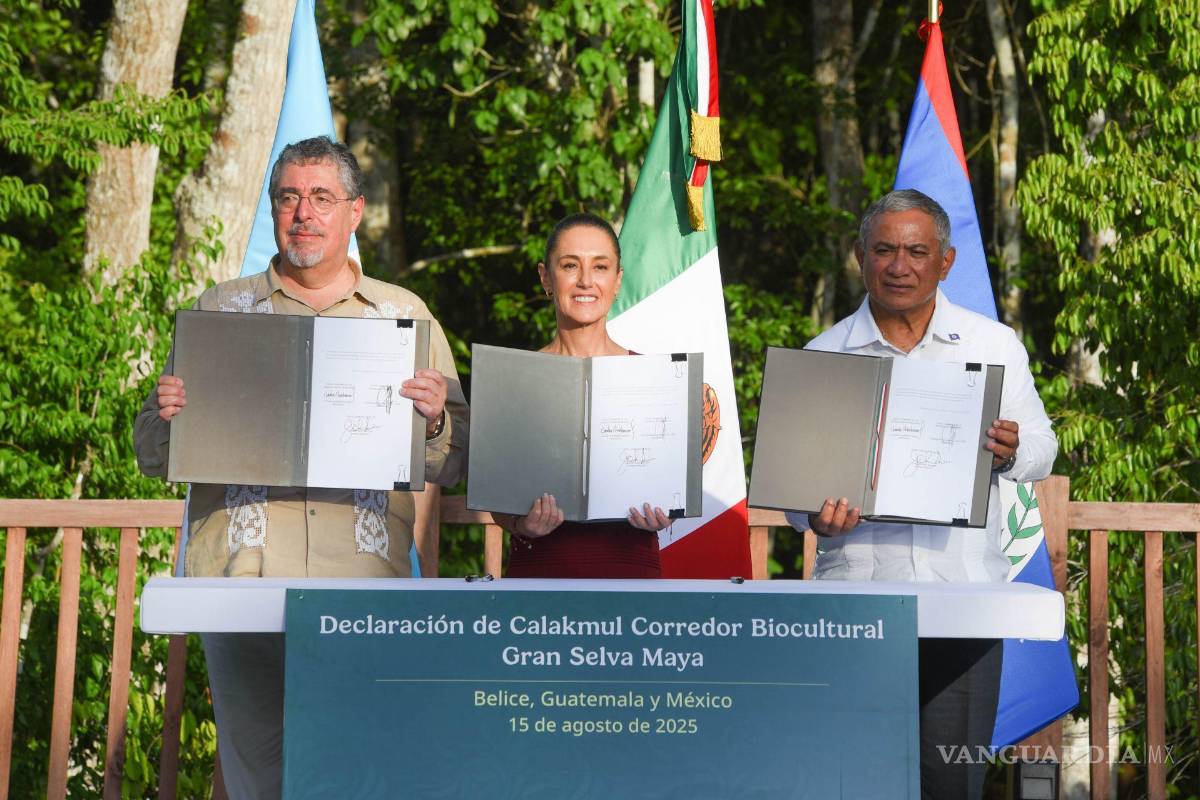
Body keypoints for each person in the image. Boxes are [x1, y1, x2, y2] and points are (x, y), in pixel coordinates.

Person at [133, 136, 468, 800]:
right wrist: (165, 415)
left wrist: (434, 420)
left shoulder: (406, 316)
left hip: (362, 586)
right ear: (274, 208)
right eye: (289, 197)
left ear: (355, 212)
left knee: (358, 767)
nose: (303, 213)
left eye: (321, 197)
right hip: (242, 577)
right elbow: (151, 454)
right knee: (258, 771)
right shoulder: (218, 312)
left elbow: (457, 459)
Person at [785, 189, 1057, 799]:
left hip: (961, 603)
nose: (898, 265)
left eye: (915, 251)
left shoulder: (993, 346)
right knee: (851, 783)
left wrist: (1013, 450)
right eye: (884, 249)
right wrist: (815, 516)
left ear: (946, 262)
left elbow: (1044, 447)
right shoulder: (823, 356)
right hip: (852, 609)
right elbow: (794, 494)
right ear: (860, 257)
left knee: (949, 784)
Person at [491, 213, 672, 578]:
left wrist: (666, 511)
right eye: (570, 265)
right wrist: (521, 525)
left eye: (600, 267)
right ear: (546, 277)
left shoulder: (656, 380)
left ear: (618, 280)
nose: (586, 281)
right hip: (540, 571)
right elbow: (498, 496)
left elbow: (669, 484)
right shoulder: (512, 380)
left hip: (631, 571)